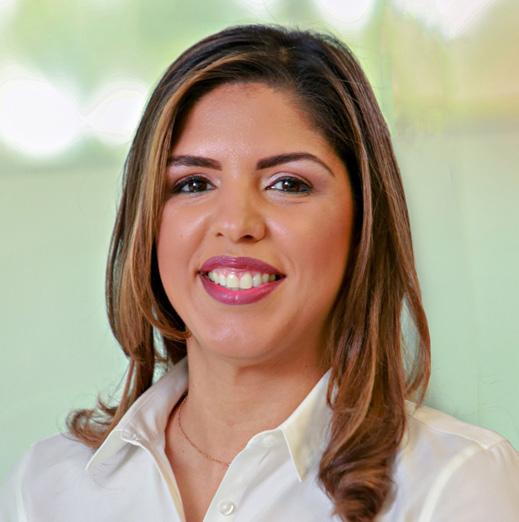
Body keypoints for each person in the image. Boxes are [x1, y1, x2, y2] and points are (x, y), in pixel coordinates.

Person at [1, 24, 518, 522]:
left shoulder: (456, 482)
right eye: (194, 183)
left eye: (287, 183)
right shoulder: (47, 486)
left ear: (363, 220)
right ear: (148, 223)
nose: (235, 224)